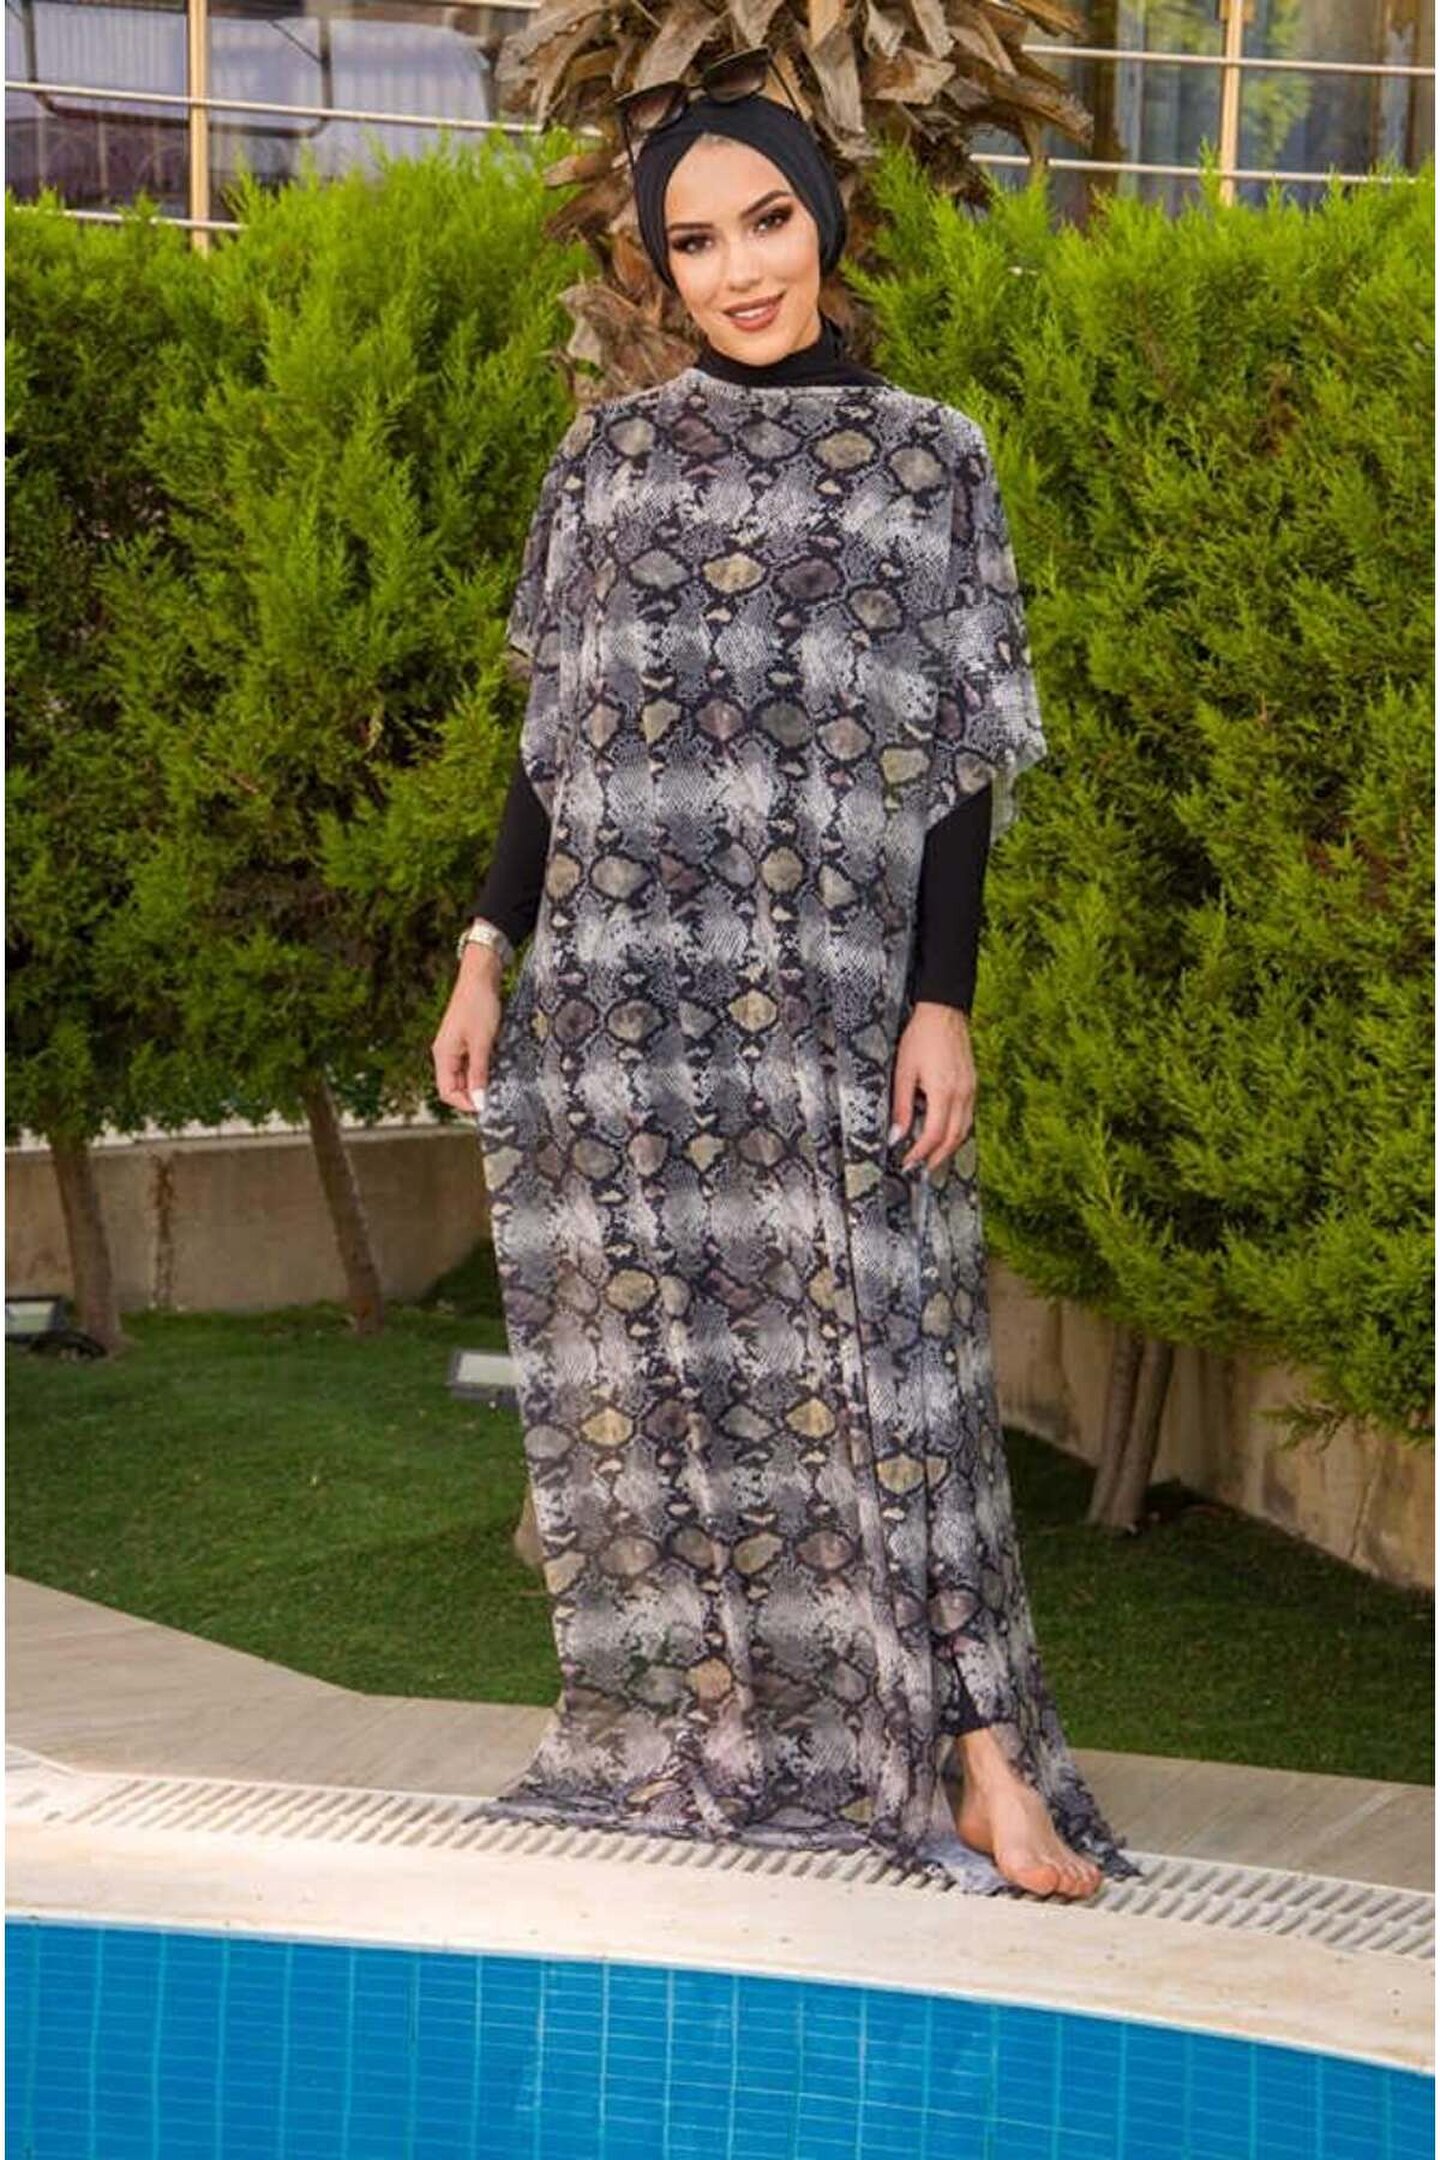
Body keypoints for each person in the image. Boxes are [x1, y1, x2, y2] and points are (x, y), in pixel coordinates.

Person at [431, 54, 1144, 1900]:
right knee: (681, 1376)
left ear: (823, 224)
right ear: (660, 270)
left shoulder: (928, 459)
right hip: (628, 1005)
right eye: (696, 243)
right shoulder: (610, 461)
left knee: (896, 1360)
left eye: (767, 222)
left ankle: (980, 1757)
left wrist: (940, 999)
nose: (740, 270)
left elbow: (959, 760)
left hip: (836, 1001)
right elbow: (554, 742)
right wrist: (488, 953)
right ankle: (754, 1725)